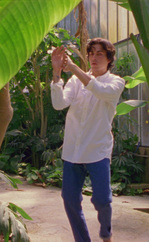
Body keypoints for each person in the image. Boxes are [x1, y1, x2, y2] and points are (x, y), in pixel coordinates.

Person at [50, 38, 125, 242]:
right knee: (70, 200)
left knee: (102, 200)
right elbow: (59, 104)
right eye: (91, 53)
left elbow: (99, 90)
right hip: (72, 152)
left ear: (109, 59)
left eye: (100, 53)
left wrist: (73, 67)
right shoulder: (75, 81)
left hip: (97, 151)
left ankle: (106, 232)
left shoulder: (116, 82)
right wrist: (57, 73)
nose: (94, 57)